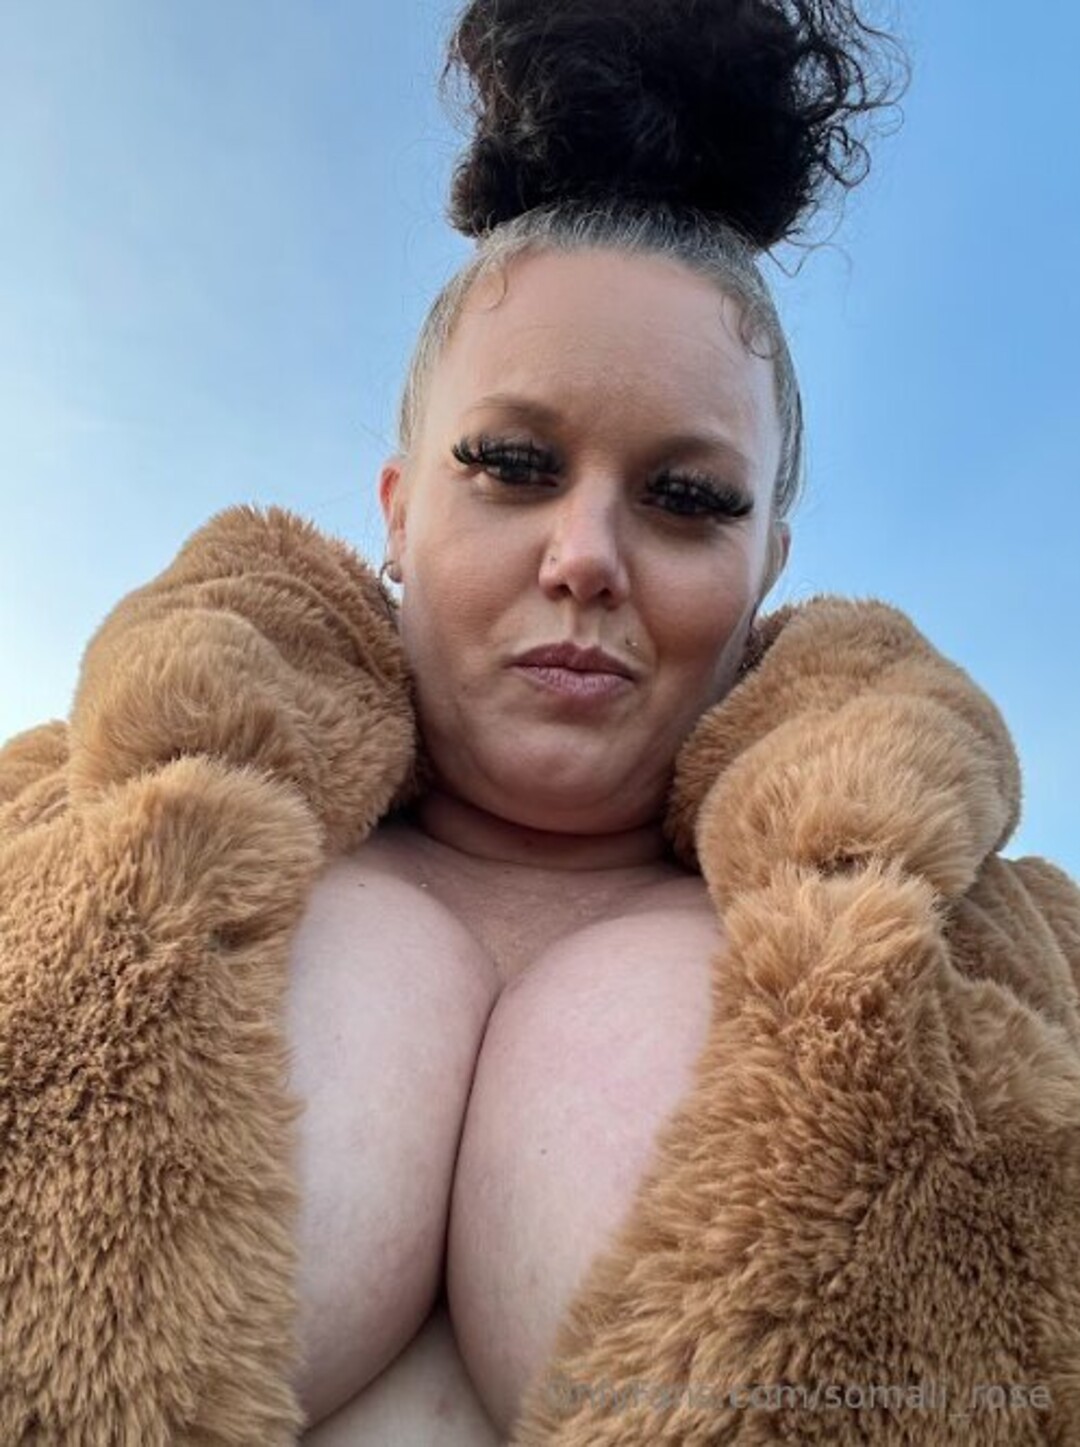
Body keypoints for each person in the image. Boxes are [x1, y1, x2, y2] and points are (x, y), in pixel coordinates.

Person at [2, 1, 1078, 1444]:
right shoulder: (51, 816)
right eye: (513, 465)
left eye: (688, 499)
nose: (586, 556)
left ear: (768, 564)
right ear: (399, 513)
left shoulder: (1015, 954)